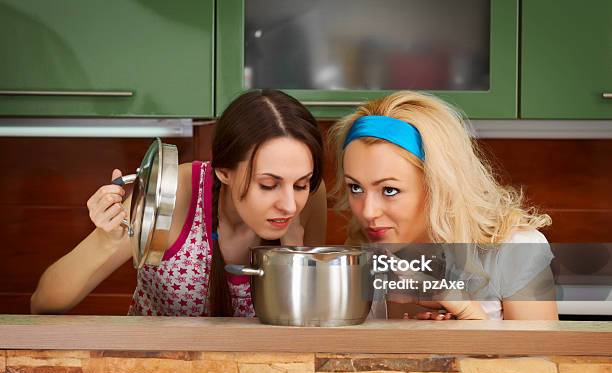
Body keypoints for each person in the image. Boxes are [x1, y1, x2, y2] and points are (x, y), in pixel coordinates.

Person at [31, 90, 327, 317]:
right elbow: (44, 303)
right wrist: (105, 239)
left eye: (301, 184)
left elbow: (309, 319)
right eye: (268, 184)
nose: (289, 204)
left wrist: (295, 252)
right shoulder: (169, 193)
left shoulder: (309, 198)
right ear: (223, 171)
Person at [329, 91, 558, 320]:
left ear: (440, 186)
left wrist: (473, 321)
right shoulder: (362, 250)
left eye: (390, 190)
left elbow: (545, 356)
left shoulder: (513, 250)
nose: (368, 212)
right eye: (356, 188)